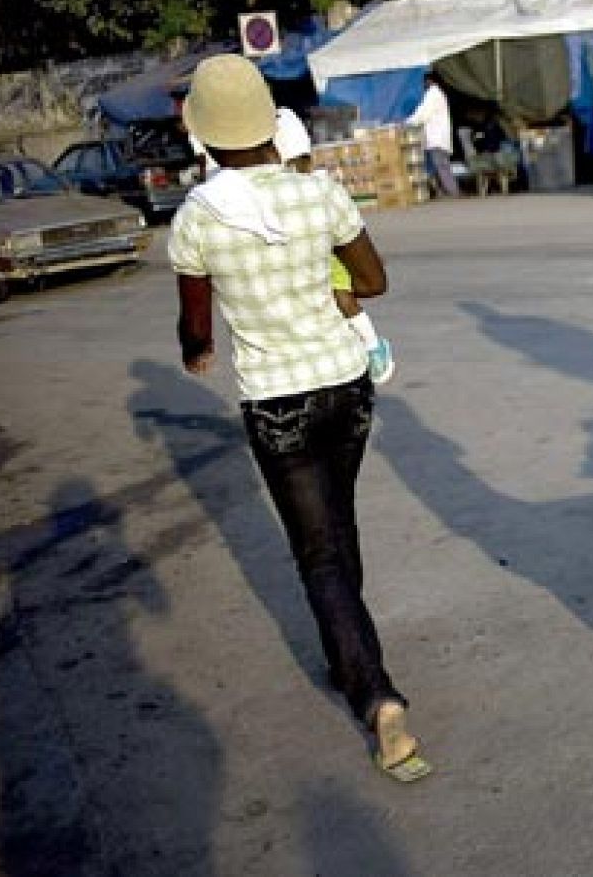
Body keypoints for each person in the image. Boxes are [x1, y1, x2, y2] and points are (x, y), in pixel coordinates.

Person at [167, 54, 431, 782]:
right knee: (336, 526)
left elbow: (196, 331)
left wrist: (197, 353)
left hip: (276, 402)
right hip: (346, 388)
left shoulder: (196, 217)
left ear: (205, 136)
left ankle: (376, 696)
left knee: (317, 550)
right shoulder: (320, 194)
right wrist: (335, 293)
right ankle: (352, 655)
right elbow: (374, 279)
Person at [273, 106, 396, 383]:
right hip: (300, 264)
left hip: (330, 258)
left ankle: (373, 346)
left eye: (295, 166)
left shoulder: (321, 187)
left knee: (343, 299)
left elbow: (350, 230)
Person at [406, 71, 459, 197]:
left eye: (424, 82)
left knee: (442, 166)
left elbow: (423, 113)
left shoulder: (433, 94)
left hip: (437, 137)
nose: (423, 85)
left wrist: (408, 122)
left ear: (429, 81)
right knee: (441, 165)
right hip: (438, 137)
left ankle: (453, 192)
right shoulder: (436, 94)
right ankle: (448, 191)